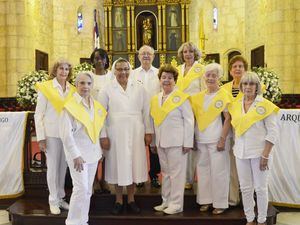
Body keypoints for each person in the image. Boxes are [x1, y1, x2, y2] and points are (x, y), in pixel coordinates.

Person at [98, 58, 153, 215]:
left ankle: (131, 199)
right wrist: (103, 135)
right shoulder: (106, 89)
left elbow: (146, 111)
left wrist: (148, 131)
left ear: (130, 70)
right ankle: (118, 200)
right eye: (120, 69)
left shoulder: (140, 88)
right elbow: (100, 114)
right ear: (114, 71)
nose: (123, 72)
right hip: (115, 132)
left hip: (136, 131)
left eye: (126, 69)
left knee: (133, 165)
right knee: (118, 165)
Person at [228, 72, 279, 225]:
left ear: (257, 87)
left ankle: (262, 220)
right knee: (245, 188)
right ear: (241, 86)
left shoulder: (265, 105)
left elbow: (273, 132)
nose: (248, 87)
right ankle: (250, 219)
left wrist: (265, 155)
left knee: (261, 188)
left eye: (251, 84)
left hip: (260, 153)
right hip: (240, 152)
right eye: (245, 84)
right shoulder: (235, 105)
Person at [59, 71, 109, 225]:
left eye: (88, 83)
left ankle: (83, 220)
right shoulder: (69, 106)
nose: (85, 86)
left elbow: (98, 128)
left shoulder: (96, 105)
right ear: (76, 84)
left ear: (92, 85)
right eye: (82, 83)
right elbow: (66, 135)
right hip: (77, 156)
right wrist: (75, 155)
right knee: (80, 189)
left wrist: (99, 151)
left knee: (88, 191)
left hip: (93, 153)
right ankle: (72, 222)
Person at [151, 64, 194, 214]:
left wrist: (188, 142)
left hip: (177, 142)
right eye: (164, 77)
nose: (166, 80)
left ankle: (176, 204)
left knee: (177, 174)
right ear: (160, 79)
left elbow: (189, 120)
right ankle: (166, 201)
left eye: (170, 78)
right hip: (161, 141)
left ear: (175, 80)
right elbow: (155, 121)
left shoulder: (181, 98)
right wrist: (153, 142)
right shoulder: (156, 98)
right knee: (166, 173)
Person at [34, 59, 76, 215]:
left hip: (66, 135)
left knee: (62, 168)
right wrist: (41, 138)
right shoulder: (46, 88)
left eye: (66, 69)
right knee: (52, 168)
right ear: (55, 70)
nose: (64, 72)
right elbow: (39, 114)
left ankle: (60, 198)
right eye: (61, 69)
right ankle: (52, 200)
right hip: (51, 134)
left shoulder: (72, 89)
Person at [190, 63, 231, 214]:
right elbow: (194, 119)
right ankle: (205, 201)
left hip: (217, 140)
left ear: (219, 77)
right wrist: (192, 138)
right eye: (208, 75)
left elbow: (228, 119)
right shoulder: (198, 97)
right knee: (203, 171)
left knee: (219, 172)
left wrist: (222, 139)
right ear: (204, 77)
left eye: (214, 75)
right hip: (201, 140)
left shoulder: (224, 95)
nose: (210, 78)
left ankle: (219, 203)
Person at [177, 42, 205, 190]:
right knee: (183, 144)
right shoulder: (178, 69)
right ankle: (183, 178)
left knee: (193, 144)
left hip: (194, 111)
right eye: (185, 52)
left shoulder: (201, 70)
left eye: (190, 52)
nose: (187, 54)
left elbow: (204, 91)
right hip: (179, 112)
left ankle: (191, 178)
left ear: (195, 54)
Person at [132, 45, 161, 188]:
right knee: (138, 145)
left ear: (153, 56)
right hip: (138, 114)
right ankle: (139, 177)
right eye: (143, 53)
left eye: (149, 53)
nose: (146, 56)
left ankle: (154, 175)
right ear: (138, 56)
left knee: (154, 147)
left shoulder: (159, 73)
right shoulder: (132, 73)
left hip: (155, 114)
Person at [222, 55, 248, 206]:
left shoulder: (251, 86)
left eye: (240, 66)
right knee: (232, 164)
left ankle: (247, 198)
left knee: (245, 164)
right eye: (235, 67)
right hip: (229, 129)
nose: (237, 69)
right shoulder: (224, 88)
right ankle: (233, 197)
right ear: (230, 71)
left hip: (245, 130)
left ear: (245, 70)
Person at [90, 48, 113, 194]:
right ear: (92, 60)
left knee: (106, 151)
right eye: (97, 58)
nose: (100, 61)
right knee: (92, 149)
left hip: (109, 118)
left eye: (102, 58)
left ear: (106, 61)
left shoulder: (112, 76)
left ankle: (104, 179)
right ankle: (94, 180)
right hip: (91, 118)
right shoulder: (88, 76)